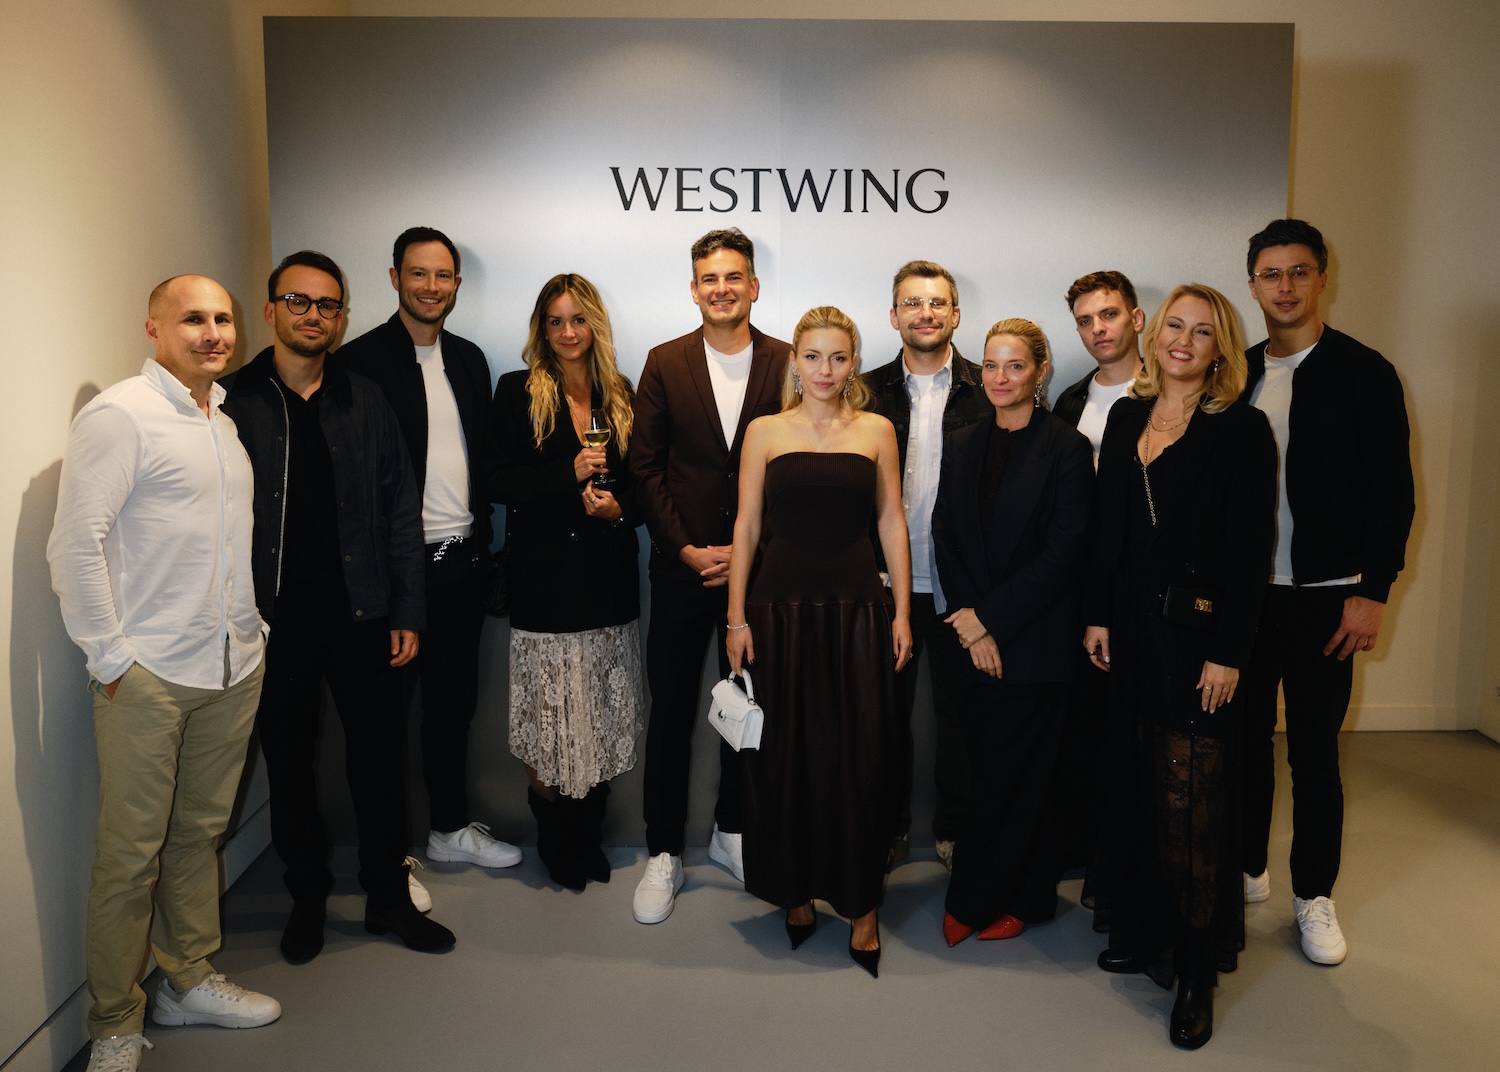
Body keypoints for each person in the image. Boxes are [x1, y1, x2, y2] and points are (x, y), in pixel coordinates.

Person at [48, 275, 280, 1072]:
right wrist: (112, 657)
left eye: (222, 319)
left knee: (199, 836)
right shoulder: (121, 415)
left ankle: (187, 979)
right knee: (129, 856)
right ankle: (114, 1022)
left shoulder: (224, 422)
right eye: (192, 319)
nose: (213, 333)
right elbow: (74, 544)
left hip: (232, 664)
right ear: (154, 329)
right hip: (149, 673)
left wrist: (253, 633)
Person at [222, 251, 455, 961]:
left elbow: (401, 508)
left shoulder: (365, 400)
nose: (313, 315)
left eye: (327, 305)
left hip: (364, 614)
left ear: (341, 317)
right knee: (290, 766)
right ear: (272, 310)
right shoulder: (233, 403)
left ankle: (387, 896)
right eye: (298, 301)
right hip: (273, 621)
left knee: (379, 763)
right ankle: (307, 897)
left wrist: (408, 610)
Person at [1083, 284, 1277, 1049]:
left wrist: (1230, 652)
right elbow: (1109, 530)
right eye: (1175, 326)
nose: (1183, 342)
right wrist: (1098, 613)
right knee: (1136, 781)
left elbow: (1251, 553)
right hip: (1130, 632)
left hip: (1198, 641)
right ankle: (1144, 931)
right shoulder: (1126, 416)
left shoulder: (1243, 429)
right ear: (1154, 332)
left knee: (1190, 796)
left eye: (1202, 332)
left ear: (1220, 348)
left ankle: (1197, 970)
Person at [1238, 219, 1414, 965]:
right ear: (1252, 284)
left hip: (1328, 600)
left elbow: (1394, 494)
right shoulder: (1235, 373)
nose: (1285, 287)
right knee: (1243, 746)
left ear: (1321, 278)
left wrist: (1373, 590)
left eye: (1298, 272)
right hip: (1248, 599)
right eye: (1271, 274)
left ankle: (1314, 895)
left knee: (1313, 757)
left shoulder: (1364, 372)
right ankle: (1247, 866)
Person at [726, 306, 912, 978]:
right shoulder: (765, 431)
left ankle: (862, 906)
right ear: (795, 362)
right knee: (785, 757)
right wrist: (736, 618)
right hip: (777, 615)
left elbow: (891, 522)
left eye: (838, 357)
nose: (825, 370)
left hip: (859, 612)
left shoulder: (877, 430)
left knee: (859, 757)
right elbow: (747, 526)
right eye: (813, 356)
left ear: (853, 361)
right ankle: (796, 891)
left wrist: (902, 613)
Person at [340, 227, 522, 882]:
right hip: (393, 577)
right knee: (382, 725)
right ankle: (388, 864)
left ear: (456, 285)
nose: (431, 286)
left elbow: (484, 462)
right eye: (418, 273)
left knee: (451, 712)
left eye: (443, 276)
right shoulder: (357, 363)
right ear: (395, 278)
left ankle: (448, 830)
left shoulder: (469, 360)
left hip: (461, 566)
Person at [629, 229, 790, 923]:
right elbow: (644, 468)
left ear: (753, 285)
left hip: (760, 577)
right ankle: (663, 851)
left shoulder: (788, 360)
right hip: (681, 572)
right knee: (670, 714)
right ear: (694, 289)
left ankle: (734, 831)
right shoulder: (664, 362)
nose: (721, 288)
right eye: (709, 278)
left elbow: (798, 466)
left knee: (748, 712)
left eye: (733, 276)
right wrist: (688, 548)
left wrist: (751, 551)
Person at [930, 319, 1093, 947]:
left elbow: (1063, 551)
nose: (1000, 378)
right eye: (991, 366)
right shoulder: (963, 441)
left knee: (1022, 778)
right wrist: (972, 627)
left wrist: (989, 620)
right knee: (985, 772)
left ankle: (990, 898)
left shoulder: (1067, 448)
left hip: (1036, 643)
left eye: (1015, 366)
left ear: (1041, 371)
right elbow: (944, 534)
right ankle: (1021, 894)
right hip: (972, 640)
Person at [487, 273, 644, 889]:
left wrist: (620, 508)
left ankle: (587, 836)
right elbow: (496, 479)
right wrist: (566, 473)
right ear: (542, 329)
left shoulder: (620, 393)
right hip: (545, 584)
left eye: (578, 319)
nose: (568, 332)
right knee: (547, 722)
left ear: (594, 325)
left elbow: (643, 482)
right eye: (556, 321)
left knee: (599, 716)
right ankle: (556, 840)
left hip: (607, 582)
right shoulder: (516, 390)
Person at [864, 260, 992, 869]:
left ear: (955, 315)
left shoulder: (988, 388)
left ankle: (957, 833)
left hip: (959, 586)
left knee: (962, 720)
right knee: (880, 718)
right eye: (912, 303)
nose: (925, 313)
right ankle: (884, 831)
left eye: (937, 303)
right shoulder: (864, 390)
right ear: (894, 316)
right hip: (882, 582)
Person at [1050, 271, 1146, 894]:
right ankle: (1087, 849)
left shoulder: (1170, 391)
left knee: (1136, 728)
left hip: (1143, 589)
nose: (1097, 329)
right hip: (1079, 590)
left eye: (1108, 315)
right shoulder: (1070, 402)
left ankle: (1131, 858)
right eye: (1085, 321)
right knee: (1083, 725)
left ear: (1136, 319)